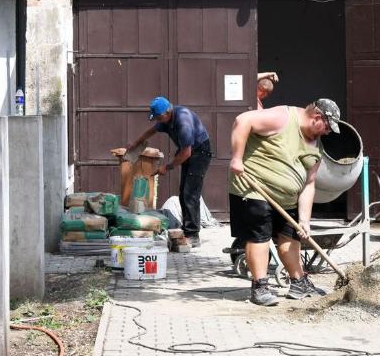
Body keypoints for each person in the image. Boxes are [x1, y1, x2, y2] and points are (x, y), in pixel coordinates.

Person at [228, 98, 341, 306]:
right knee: (259, 237)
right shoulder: (282, 118)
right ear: (317, 117)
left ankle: (299, 282)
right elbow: (242, 120)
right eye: (327, 127)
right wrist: (237, 158)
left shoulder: (317, 144)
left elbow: (309, 184)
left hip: (288, 198)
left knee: (291, 236)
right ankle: (260, 287)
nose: (327, 132)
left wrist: (305, 220)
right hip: (254, 189)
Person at [125, 96, 211, 247]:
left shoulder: (182, 122)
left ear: (166, 113)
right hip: (189, 151)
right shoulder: (166, 119)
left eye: (158, 117)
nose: (157, 120)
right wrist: (135, 144)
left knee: (190, 193)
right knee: (184, 193)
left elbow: (186, 153)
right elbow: (150, 132)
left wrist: (168, 167)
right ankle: (188, 230)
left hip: (199, 153)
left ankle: (193, 235)